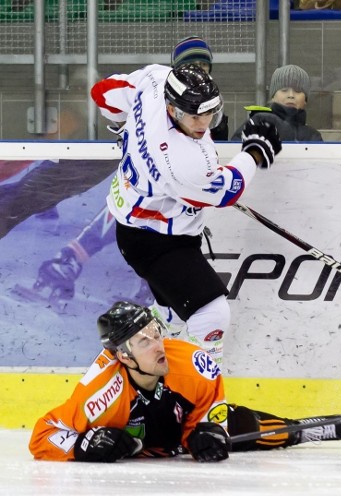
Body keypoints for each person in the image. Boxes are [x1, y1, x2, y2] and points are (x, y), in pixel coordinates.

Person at [13, 36, 227, 313]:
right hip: (153, 193)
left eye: (203, 64)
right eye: (191, 64)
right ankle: (71, 259)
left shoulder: (210, 103)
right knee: (134, 211)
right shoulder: (155, 93)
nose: (198, 69)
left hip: (186, 196)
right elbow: (110, 98)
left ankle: (140, 281)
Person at [89, 62, 281, 363]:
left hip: (142, 228)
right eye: (195, 115)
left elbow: (103, 94)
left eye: (210, 112)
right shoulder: (183, 161)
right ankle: (198, 397)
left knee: (170, 319)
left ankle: (131, 374)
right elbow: (229, 190)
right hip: (156, 241)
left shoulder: (155, 80)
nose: (204, 121)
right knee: (213, 314)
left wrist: (122, 125)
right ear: (172, 108)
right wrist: (254, 151)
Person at [29, 301, 341, 462]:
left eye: (156, 333)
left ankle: (300, 429)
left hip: (179, 424)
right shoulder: (100, 393)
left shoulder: (191, 363)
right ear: (123, 357)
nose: (158, 345)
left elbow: (214, 409)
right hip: (139, 445)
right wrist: (80, 447)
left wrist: (206, 431)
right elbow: (44, 434)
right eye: (144, 342)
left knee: (239, 426)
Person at [231, 64, 323, 142]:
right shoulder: (259, 122)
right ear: (273, 97)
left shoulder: (313, 136)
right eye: (284, 90)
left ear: (305, 100)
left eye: (298, 91)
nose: (291, 95)